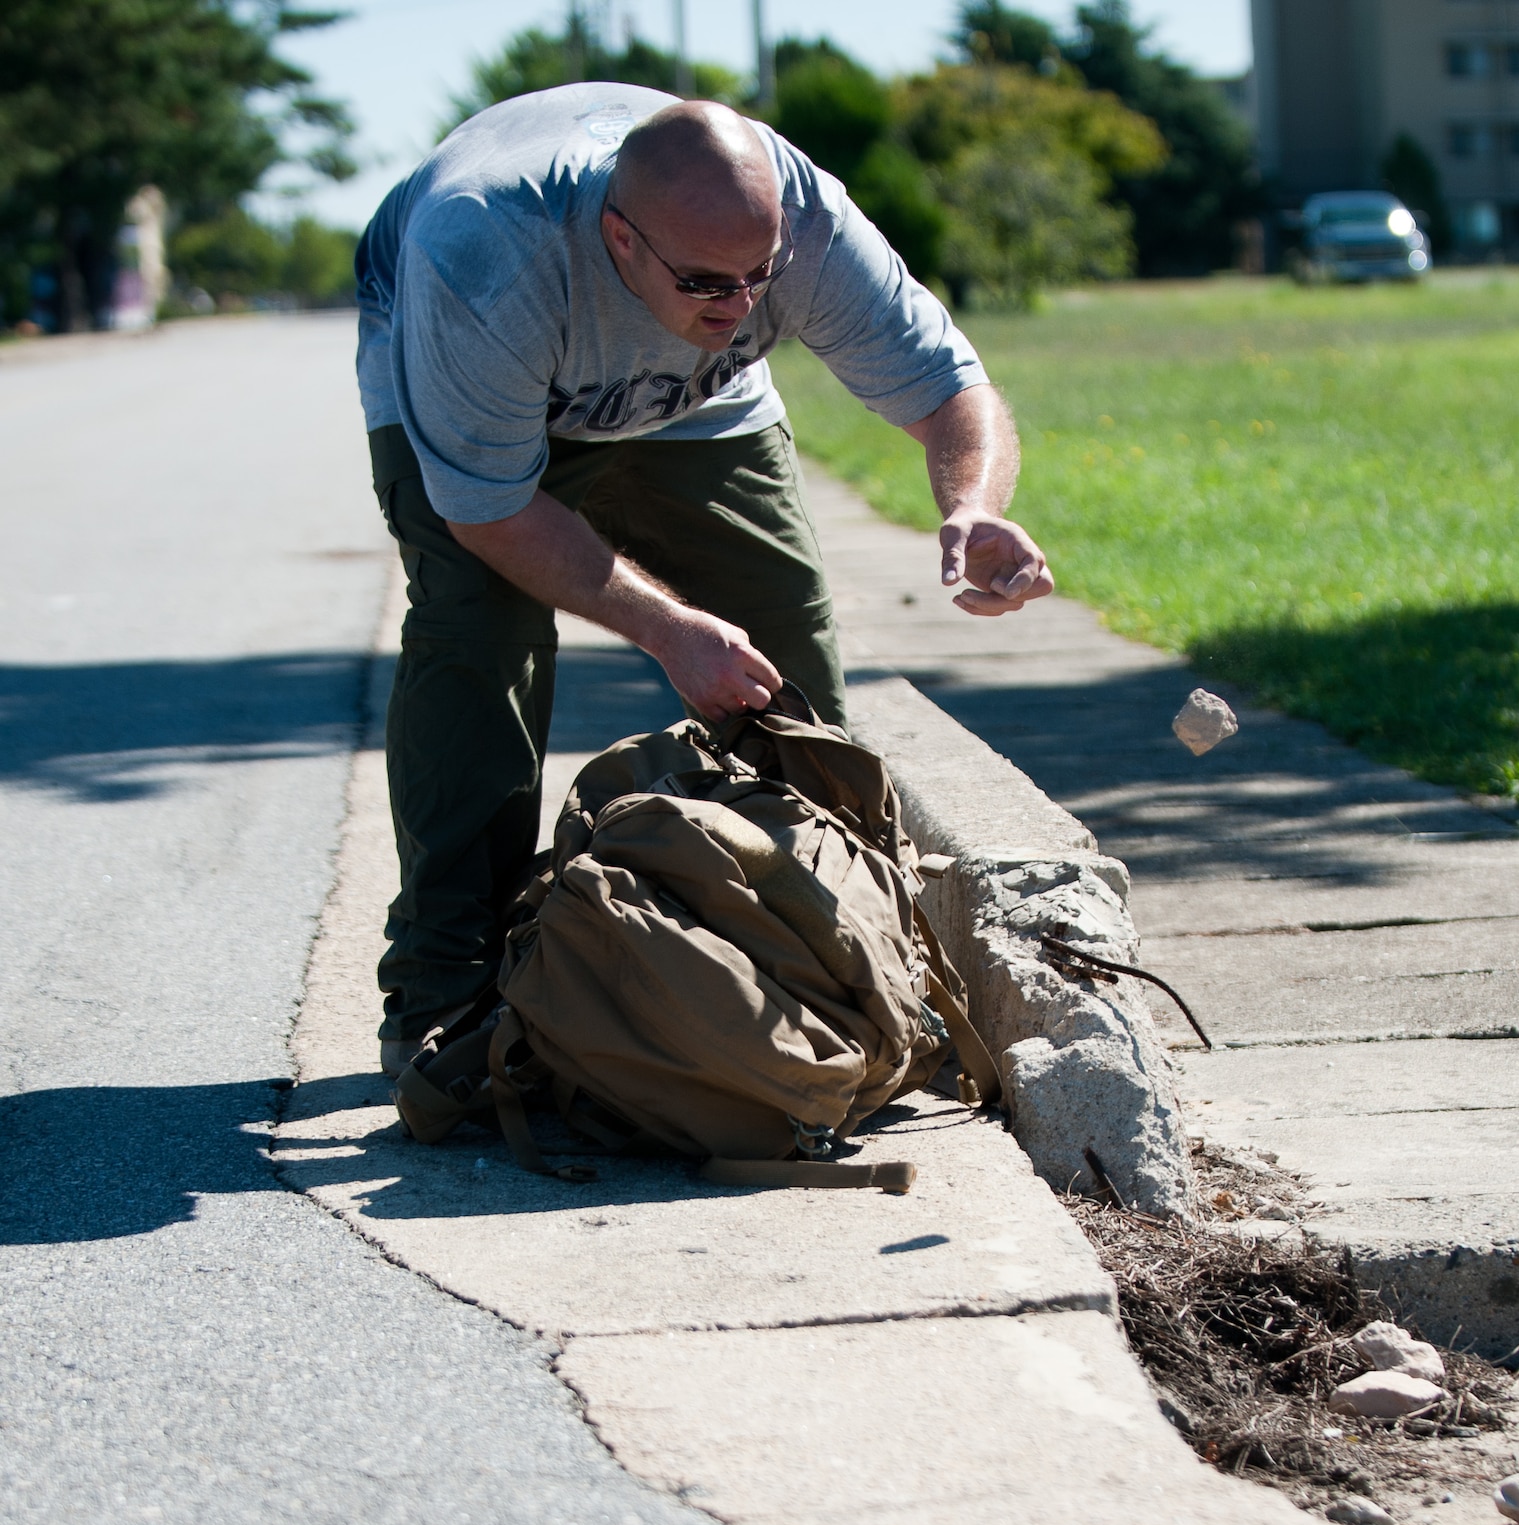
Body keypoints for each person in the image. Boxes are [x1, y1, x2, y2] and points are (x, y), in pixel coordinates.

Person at [355, 86, 1054, 1073]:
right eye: (706, 284)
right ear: (621, 239)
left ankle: (840, 964)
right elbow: (492, 512)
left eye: (756, 281)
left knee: (787, 655)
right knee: (478, 642)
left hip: (695, 408)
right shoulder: (478, 256)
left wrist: (970, 504)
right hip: (488, 392)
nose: (736, 308)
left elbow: (948, 386)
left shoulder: (797, 217)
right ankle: (445, 986)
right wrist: (665, 625)